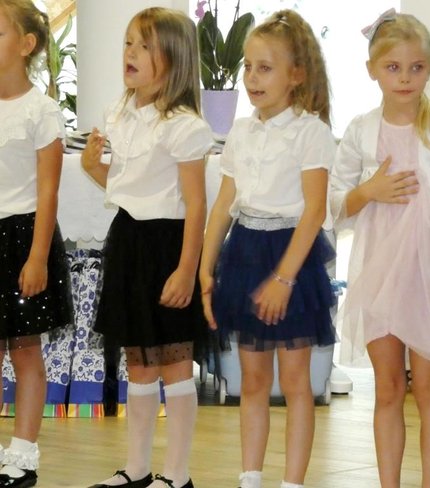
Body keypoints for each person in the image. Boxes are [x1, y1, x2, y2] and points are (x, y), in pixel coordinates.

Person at [199, 10, 336, 488]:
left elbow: (314, 211)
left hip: (291, 255)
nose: (252, 78)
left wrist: (283, 279)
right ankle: (250, 477)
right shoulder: (240, 132)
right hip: (244, 251)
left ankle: (292, 482)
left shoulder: (311, 132)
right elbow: (223, 205)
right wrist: (206, 269)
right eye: (248, 67)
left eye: (265, 68)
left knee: (296, 383)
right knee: (252, 381)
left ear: (295, 75)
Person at [81, 7, 213, 488]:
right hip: (129, 242)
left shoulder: (184, 125)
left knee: (174, 363)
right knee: (138, 363)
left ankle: (177, 474)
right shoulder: (120, 114)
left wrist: (186, 269)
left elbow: (195, 204)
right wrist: (93, 168)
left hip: (168, 246)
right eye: (128, 43)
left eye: (144, 45)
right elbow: (127, 187)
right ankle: (137, 469)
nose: (130, 53)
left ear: (173, 59)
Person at [329, 9, 430, 488]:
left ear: (429, 68)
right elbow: (334, 204)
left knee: (427, 386)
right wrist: (369, 191)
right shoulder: (361, 130)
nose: (405, 78)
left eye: (416, 67)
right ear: (372, 70)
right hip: (379, 273)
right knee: (387, 388)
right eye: (393, 67)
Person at [0, 1, 73, 487]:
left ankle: (23, 456)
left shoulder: (41, 111)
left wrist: (38, 256)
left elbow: (48, 190)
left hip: (24, 236)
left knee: (26, 350)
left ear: (26, 45)